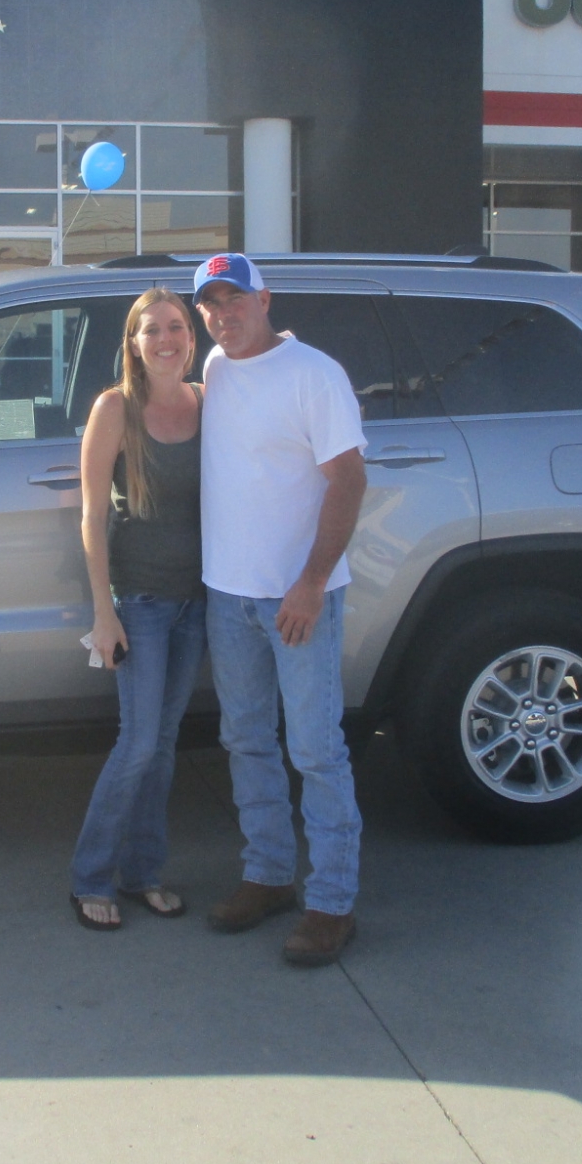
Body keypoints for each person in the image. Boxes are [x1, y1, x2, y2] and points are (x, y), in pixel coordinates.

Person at [190, 253, 369, 967]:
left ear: (265, 300)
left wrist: (312, 581)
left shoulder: (314, 374)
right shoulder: (216, 368)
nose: (223, 314)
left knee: (316, 749)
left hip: (298, 598)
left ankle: (331, 903)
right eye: (210, 303)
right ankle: (267, 874)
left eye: (234, 299)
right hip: (228, 594)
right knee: (246, 740)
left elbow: (349, 480)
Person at [68, 287, 208, 931]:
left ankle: (144, 873)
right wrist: (105, 614)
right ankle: (90, 877)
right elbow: (92, 516)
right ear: (134, 342)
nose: (165, 339)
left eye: (176, 327)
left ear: (192, 337)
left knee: (165, 744)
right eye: (152, 329)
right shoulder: (115, 409)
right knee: (139, 742)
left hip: (195, 603)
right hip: (141, 603)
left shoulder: (208, 401)